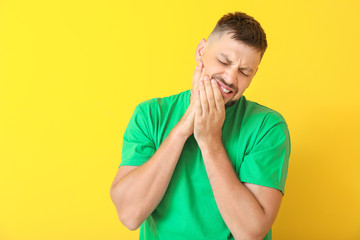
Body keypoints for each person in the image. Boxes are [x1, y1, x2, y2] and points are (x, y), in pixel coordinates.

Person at [110, 11, 291, 240]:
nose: (231, 78)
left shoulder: (267, 127)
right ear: (201, 51)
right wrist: (185, 126)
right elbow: (129, 215)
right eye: (223, 61)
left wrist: (210, 141)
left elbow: (250, 233)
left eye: (244, 72)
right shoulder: (150, 114)